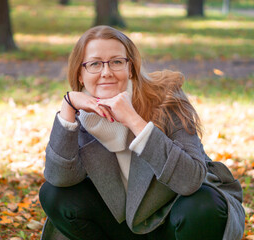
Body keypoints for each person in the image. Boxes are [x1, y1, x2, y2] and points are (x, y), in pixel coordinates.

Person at [39, 25, 245, 240]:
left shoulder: (166, 98)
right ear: (80, 74)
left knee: (202, 203)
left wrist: (134, 121)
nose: (106, 72)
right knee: (53, 193)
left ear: (130, 68)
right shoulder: (77, 117)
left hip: (173, 218)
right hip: (119, 226)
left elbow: (190, 180)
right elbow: (60, 179)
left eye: (117, 62)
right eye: (94, 64)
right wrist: (68, 106)